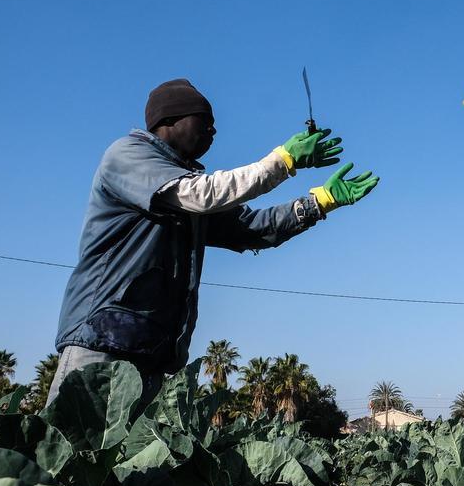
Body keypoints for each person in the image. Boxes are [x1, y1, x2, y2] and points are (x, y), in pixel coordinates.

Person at [46, 78, 379, 404]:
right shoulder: (127, 154)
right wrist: (282, 162)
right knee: (76, 452)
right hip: (100, 343)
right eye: (204, 121)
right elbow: (200, 194)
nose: (213, 131)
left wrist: (318, 203)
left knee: (130, 460)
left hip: (151, 351)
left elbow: (251, 227)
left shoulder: (186, 190)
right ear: (169, 120)